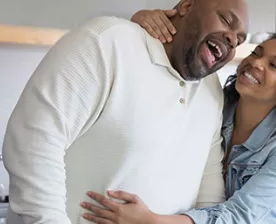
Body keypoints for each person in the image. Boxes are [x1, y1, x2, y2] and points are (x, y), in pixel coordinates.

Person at [2, 0, 248, 224]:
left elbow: (209, 188)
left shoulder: (211, 90)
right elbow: (34, 141)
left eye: (239, 40)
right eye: (226, 21)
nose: (231, 39)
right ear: (186, 6)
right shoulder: (107, 42)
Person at [80, 18, 276, 223]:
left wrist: (150, 221)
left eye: (274, 65)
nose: (256, 63)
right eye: (256, 53)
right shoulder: (212, 100)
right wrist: (149, 25)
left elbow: (240, 216)